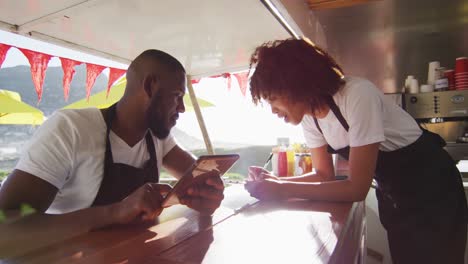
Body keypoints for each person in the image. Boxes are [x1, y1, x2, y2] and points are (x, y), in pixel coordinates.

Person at [245, 38, 467, 264]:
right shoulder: (311, 118)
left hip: (433, 189)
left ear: (296, 83)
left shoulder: (357, 95)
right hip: (395, 195)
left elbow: (357, 188)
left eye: (273, 98)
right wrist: (277, 181)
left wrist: (281, 189)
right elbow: (323, 175)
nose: (272, 110)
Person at [0, 49, 224, 256]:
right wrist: (115, 212)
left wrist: (206, 194)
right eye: (177, 96)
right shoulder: (71, 129)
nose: (182, 108)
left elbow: (199, 175)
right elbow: (4, 229)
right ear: (150, 86)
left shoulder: (157, 138)